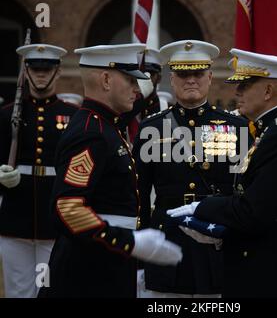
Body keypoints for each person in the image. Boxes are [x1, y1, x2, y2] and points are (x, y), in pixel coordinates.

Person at [167, 48, 277, 298]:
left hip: (272, 271)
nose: (237, 92)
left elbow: (255, 211)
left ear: (268, 91)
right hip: (264, 259)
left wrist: (202, 208)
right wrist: (223, 232)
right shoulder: (273, 131)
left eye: (245, 85)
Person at [38, 43, 182, 298]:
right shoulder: (91, 134)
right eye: (129, 80)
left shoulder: (105, 125)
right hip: (88, 273)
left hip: (106, 262)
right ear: (106, 79)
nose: (136, 89)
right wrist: (129, 242)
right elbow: (68, 208)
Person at [133, 40, 249, 298]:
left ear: (210, 77)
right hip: (168, 239)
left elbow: (244, 189)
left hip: (216, 240)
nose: (191, 80)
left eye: (198, 73)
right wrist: (140, 249)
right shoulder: (152, 128)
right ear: (171, 79)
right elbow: (139, 192)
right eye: (184, 74)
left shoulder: (235, 127)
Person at [0, 44, 78, 298]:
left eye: (47, 69)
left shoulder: (72, 115)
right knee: (18, 291)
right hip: (15, 217)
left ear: (57, 72)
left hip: (54, 218)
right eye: (35, 69)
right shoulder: (6, 115)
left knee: (50, 290)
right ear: (26, 71)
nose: (41, 74)